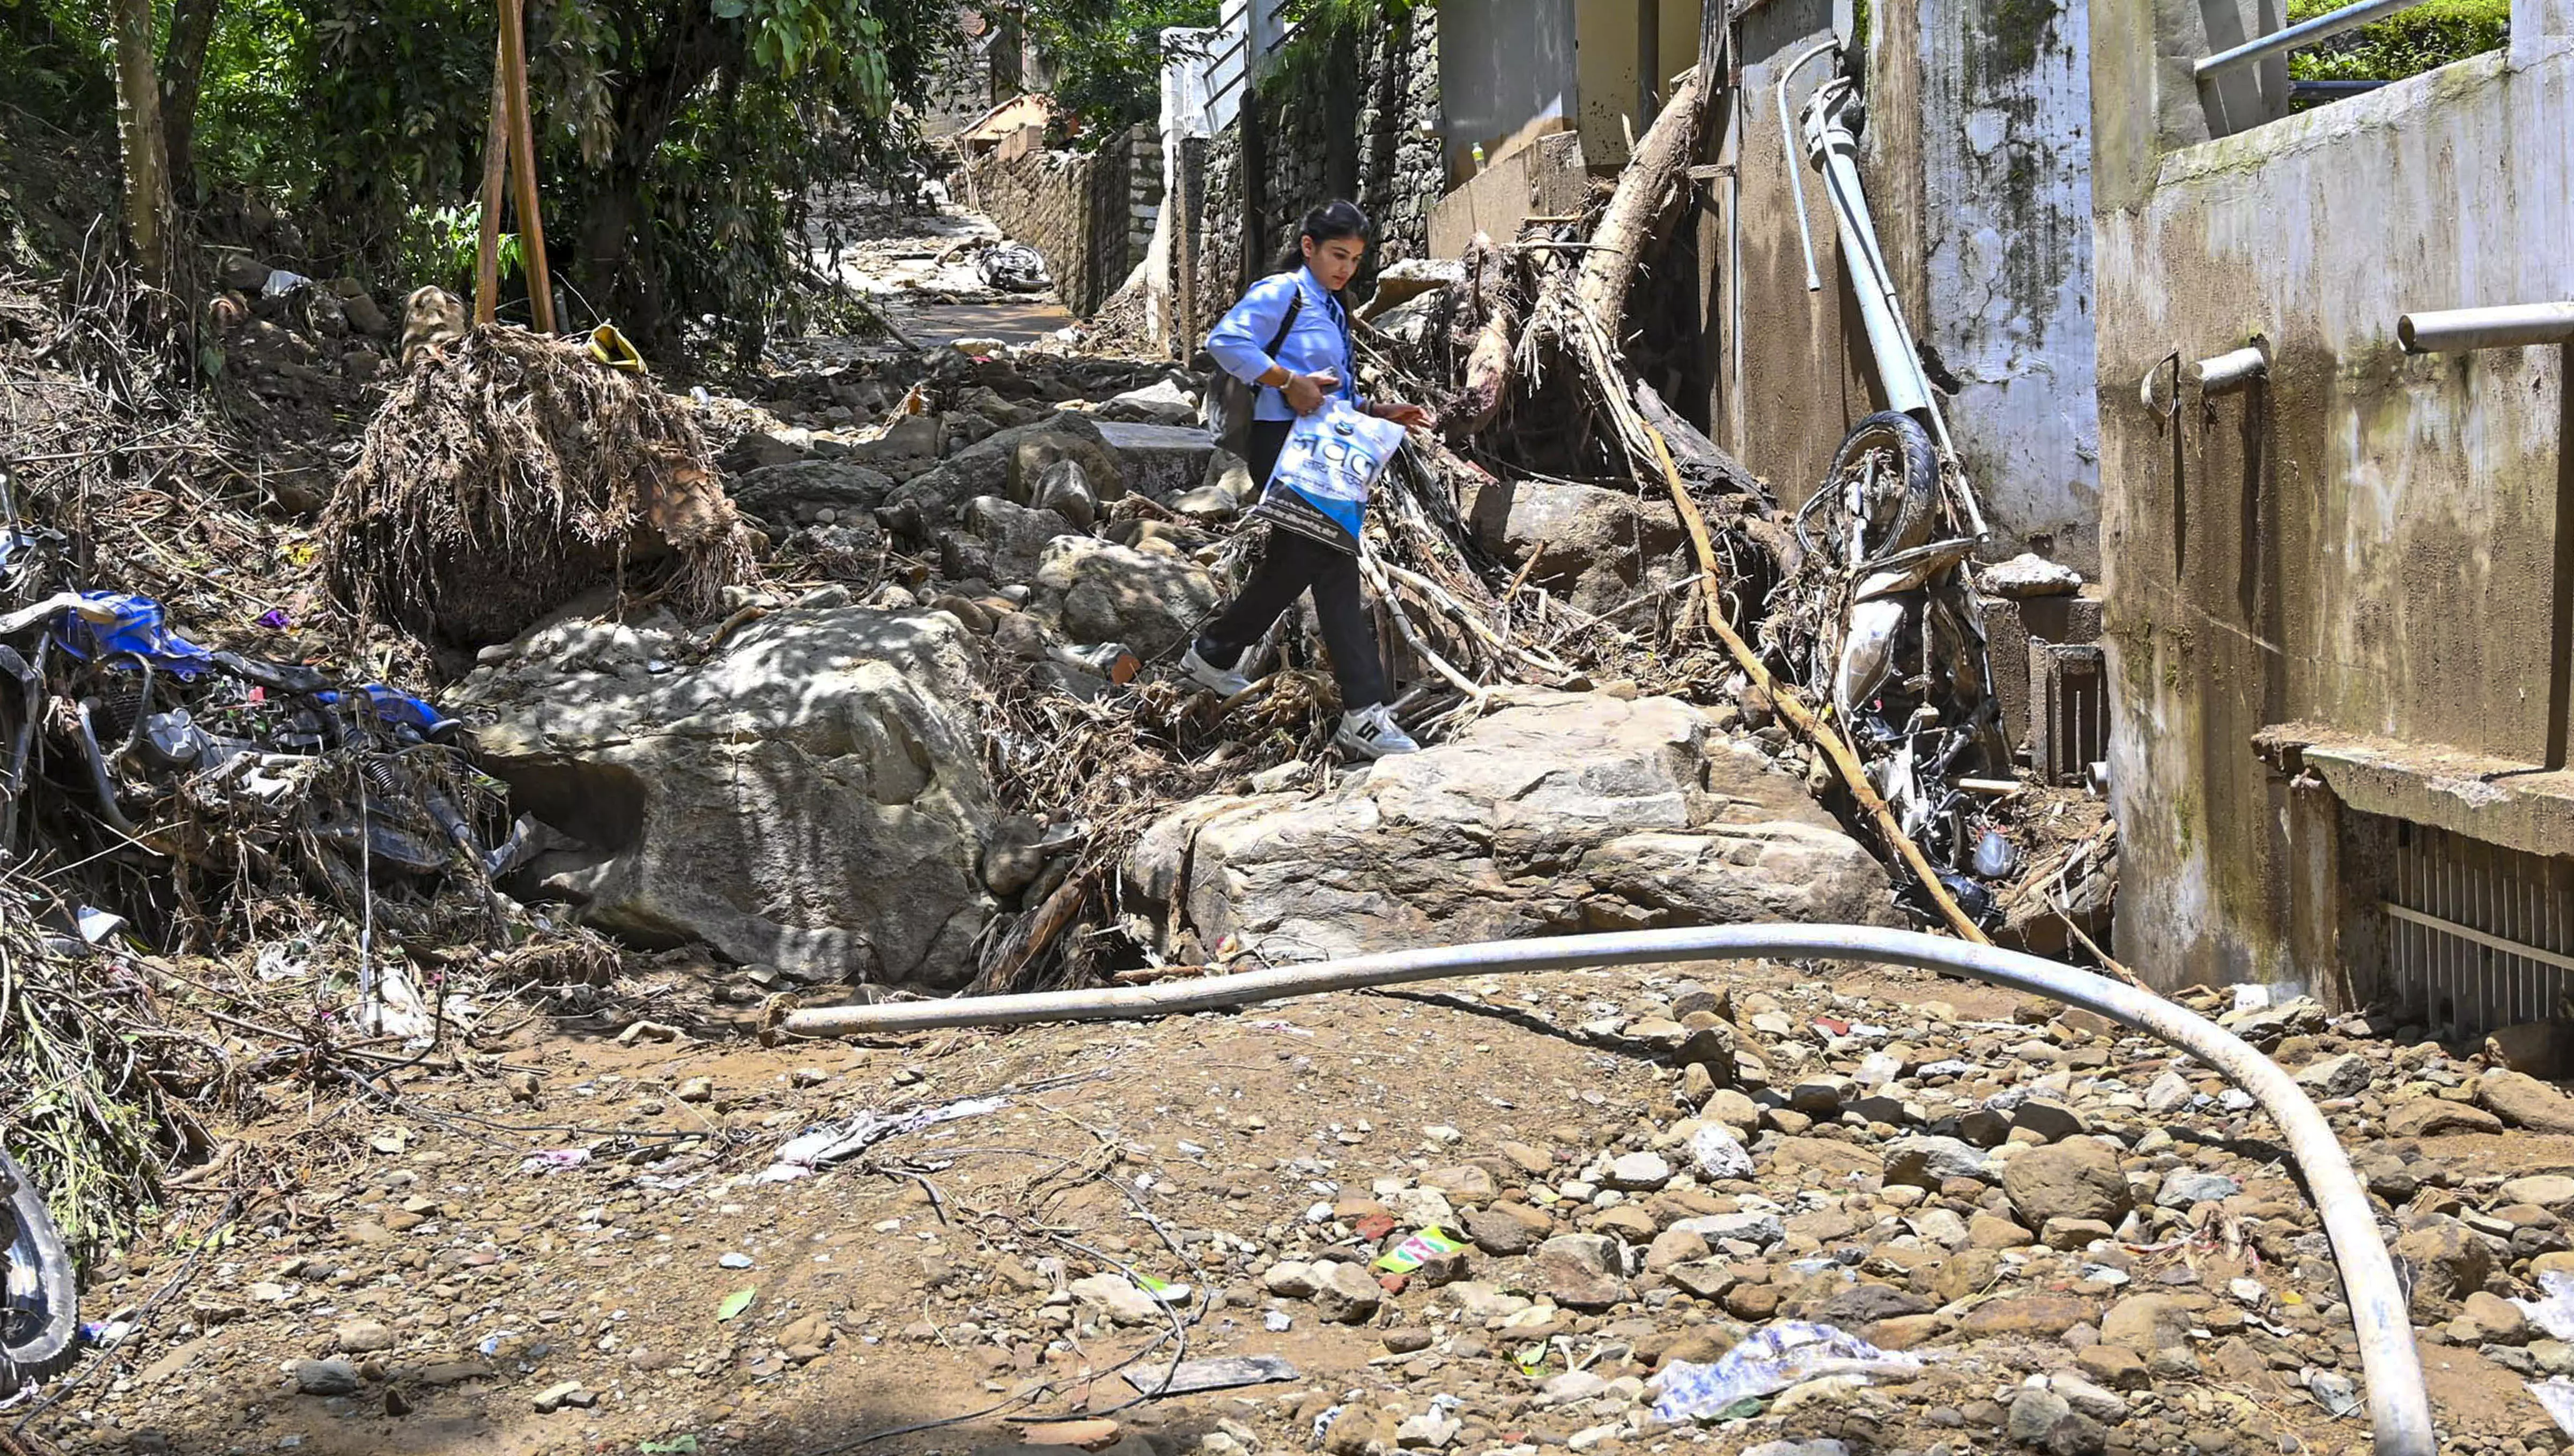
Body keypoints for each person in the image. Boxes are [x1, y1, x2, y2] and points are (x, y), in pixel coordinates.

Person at [1185, 200, 1430, 760]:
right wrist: (1287, 379)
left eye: (1356, 259)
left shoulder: (1334, 306)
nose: (1346, 268)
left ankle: (1213, 654)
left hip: (1322, 448)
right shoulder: (1283, 293)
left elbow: (1329, 392)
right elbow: (1225, 342)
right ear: (1308, 247)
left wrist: (1376, 409)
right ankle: (1364, 714)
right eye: (1337, 254)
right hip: (1282, 446)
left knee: (1297, 562)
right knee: (1335, 563)